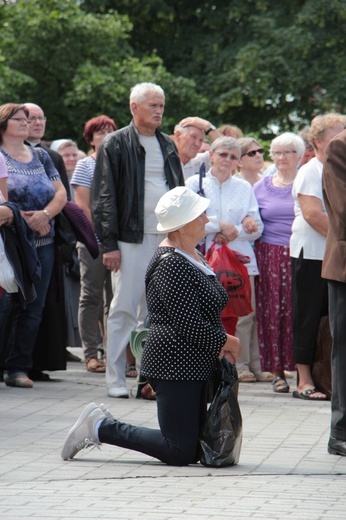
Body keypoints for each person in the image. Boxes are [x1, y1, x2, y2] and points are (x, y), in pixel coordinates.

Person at [61, 186, 241, 465]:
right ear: (182, 226)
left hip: (192, 363)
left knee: (194, 449)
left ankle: (102, 426)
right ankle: (100, 427)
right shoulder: (172, 264)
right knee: (178, 450)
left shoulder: (192, 254)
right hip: (174, 364)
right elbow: (189, 324)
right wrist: (228, 342)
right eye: (200, 214)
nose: (207, 219)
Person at [91, 82, 184, 398]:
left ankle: (148, 380)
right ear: (134, 107)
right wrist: (109, 244)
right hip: (129, 239)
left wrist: (182, 237)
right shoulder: (114, 144)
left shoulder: (168, 144)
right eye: (152, 105)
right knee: (123, 309)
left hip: (165, 238)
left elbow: (179, 192)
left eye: (161, 105)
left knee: (156, 312)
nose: (159, 110)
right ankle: (115, 379)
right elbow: (104, 197)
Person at [186, 137, 267, 382]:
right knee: (208, 312)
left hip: (239, 259)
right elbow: (188, 219)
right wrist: (218, 226)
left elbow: (258, 227)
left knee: (243, 313)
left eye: (233, 157)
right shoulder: (194, 182)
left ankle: (241, 364)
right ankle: (209, 362)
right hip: (204, 258)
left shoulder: (244, 187)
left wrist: (235, 230)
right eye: (223, 155)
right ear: (211, 154)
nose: (228, 161)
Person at [0, 103, 67, 388]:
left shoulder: (41, 155)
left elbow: (62, 192)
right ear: (3, 123)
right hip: (11, 243)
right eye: (19, 118)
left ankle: (19, 368)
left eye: (28, 118)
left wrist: (45, 215)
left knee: (34, 306)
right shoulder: (1, 157)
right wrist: (22, 220)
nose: (26, 122)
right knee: (7, 304)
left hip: (44, 240)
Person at [290, 113, 346, 401]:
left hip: (330, 254)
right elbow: (313, 214)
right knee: (308, 315)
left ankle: (326, 376)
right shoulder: (309, 170)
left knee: (329, 319)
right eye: (337, 134)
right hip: (310, 252)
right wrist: (339, 242)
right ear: (318, 141)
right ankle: (303, 379)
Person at [253, 132, 305, 393]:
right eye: (277, 152)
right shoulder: (260, 186)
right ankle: (276, 372)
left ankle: (302, 370)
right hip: (269, 254)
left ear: (300, 155)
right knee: (271, 312)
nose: (282, 157)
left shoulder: (306, 181)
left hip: (300, 252)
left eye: (288, 152)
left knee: (299, 311)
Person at [71, 115, 117, 373]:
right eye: (100, 132)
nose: (106, 135)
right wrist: (101, 241)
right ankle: (91, 354)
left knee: (116, 300)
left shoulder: (120, 163)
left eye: (110, 131)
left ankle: (114, 356)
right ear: (90, 139)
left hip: (119, 244)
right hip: (93, 242)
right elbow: (83, 208)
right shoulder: (85, 165)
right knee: (91, 297)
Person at [322, 128, 346, 456]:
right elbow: (342, 211)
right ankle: (340, 431)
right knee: (344, 349)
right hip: (344, 267)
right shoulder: (340, 144)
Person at [24, 103, 71, 200]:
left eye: (41, 118)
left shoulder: (55, 157)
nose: (38, 123)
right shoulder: (7, 153)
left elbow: (66, 197)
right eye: (31, 118)